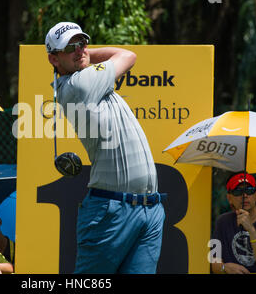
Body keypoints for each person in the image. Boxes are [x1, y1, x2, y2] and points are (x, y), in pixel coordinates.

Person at [45, 22, 166, 274]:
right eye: (70, 48)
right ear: (53, 59)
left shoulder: (86, 78)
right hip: (110, 211)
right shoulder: (80, 84)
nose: (80, 51)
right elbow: (127, 56)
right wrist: (88, 55)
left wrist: (80, 53)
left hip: (150, 208)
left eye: (82, 44)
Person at [211, 172, 256, 274]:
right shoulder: (222, 222)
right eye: (237, 192)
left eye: (249, 190)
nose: (244, 195)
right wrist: (224, 267)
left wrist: (251, 229)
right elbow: (213, 262)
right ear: (229, 198)